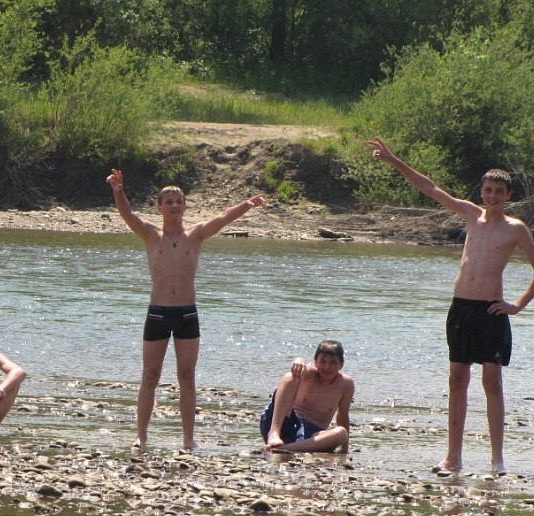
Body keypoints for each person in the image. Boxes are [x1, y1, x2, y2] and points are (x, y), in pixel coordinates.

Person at [369, 138, 534, 475]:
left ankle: (497, 460)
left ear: (508, 195)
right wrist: (394, 160)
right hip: (461, 308)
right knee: (457, 379)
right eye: (488, 190)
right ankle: (453, 457)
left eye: (499, 191)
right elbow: (431, 187)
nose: (493, 196)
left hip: (491, 311)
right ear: (481, 192)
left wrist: (516, 305)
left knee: (492, 382)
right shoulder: (470, 214)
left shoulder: (516, 229)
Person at [106, 168, 266, 450]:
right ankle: (141, 436)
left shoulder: (196, 235)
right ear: (159, 207)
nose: (174, 205)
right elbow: (128, 215)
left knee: (187, 377)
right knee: (150, 376)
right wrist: (118, 190)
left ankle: (188, 439)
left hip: (187, 314)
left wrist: (247, 204)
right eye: (168, 201)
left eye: (179, 201)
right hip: (158, 312)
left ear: (185, 206)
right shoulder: (150, 234)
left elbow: (222, 218)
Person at [261, 339, 354, 453]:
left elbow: (343, 417)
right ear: (315, 362)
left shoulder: (346, 384)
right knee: (291, 376)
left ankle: (283, 449)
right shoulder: (311, 374)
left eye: (333, 363)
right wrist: (299, 360)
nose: (327, 367)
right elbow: (302, 369)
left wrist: (345, 449)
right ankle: (274, 432)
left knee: (342, 433)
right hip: (285, 425)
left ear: (341, 364)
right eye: (322, 361)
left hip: (311, 438)